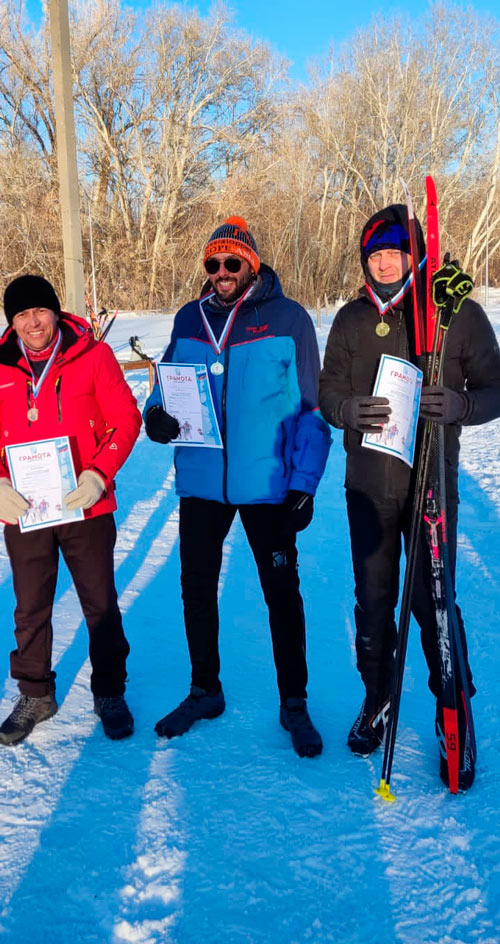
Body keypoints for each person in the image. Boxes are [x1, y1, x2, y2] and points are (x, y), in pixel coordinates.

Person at [318, 204, 500, 790]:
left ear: (415, 255)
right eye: (376, 255)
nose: (386, 264)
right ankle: (378, 699)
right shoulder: (349, 319)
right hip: (368, 489)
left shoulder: (454, 316)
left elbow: (496, 386)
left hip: (432, 489)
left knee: (435, 607)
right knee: (373, 604)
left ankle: (456, 717)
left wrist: (464, 406)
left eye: (396, 253)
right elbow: (327, 391)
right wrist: (346, 410)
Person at [144, 216, 331, 757]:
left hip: (266, 482)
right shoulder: (188, 318)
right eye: (213, 264)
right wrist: (154, 416)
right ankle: (205, 690)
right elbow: (167, 389)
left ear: (250, 264)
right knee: (196, 587)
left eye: (232, 263)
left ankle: (293, 702)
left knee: (281, 592)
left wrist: (305, 482)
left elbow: (311, 409)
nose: (222, 273)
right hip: (201, 479)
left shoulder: (289, 319)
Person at [0, 275, 142, 744]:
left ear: (55, 312)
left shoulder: (92, 355)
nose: (33, 322)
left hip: (85, 503)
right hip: (24, 510)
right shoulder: (0, 367)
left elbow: (126, 418)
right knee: (30, 605)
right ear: (12, 322)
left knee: (99, 602)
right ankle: (36, 693)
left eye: (40, 311)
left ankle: (109, 691)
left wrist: (100, 472)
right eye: (21, 315)